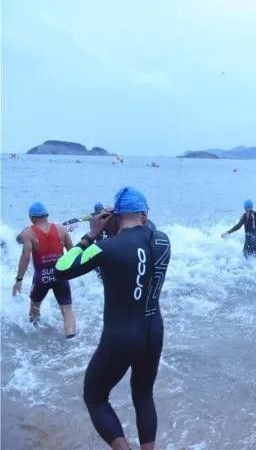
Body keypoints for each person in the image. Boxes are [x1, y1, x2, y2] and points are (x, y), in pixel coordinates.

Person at [55, 186, 171, 450]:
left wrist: (92, 234)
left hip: (121, 334)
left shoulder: (106, 247)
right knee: (143, 395)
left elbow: (61, 269)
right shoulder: (163, 240)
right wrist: (121, 220)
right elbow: (144, 230)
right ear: (144, 212)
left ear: (114, 216)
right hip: (153, 330)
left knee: (95, 397)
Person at [13, 202, 77, 338]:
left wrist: (19, 280)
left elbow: (25, 257)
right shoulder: (61, 230)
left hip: (41, 278)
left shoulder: (28, 234)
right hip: (61, 275)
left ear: (32, 218)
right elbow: (73, 252)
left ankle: (36, 340)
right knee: (67, 309)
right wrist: (72, 272)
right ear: (47, 216)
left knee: (34, 308)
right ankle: (72, 339)